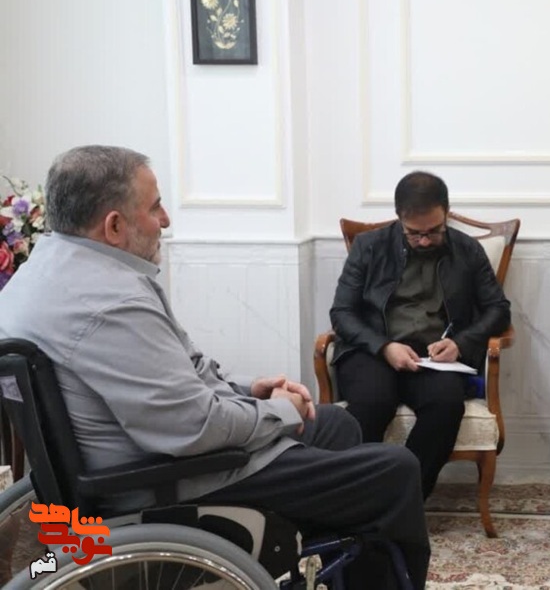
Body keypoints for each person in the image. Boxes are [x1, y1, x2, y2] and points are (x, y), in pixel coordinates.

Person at [0, 145, 430, 588]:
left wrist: (249, 390)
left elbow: (182, 370)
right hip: (168, 481)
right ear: (114, 225)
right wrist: (279, 411)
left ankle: (318, 546)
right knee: (394, 471)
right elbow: (194, 428)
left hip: (126, 464)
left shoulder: (42, 274)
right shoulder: (111, 303)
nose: (166, 219)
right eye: (155, 207)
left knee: (335, 425)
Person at [330, 171, 511, 500]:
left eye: (434, 231)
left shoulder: (467, 250)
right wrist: (384, 347)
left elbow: (498, 310)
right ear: (399, 217)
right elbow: (342, 313)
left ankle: (403, 498)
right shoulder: (369, 246)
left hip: (432, 357)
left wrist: (460, 343)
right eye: (415, 233)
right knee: (373, 403)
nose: (425, 241)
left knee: (446, 405)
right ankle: (358, 499)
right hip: (373, 350)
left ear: (446, 213)